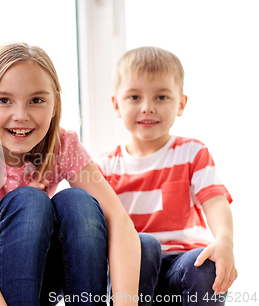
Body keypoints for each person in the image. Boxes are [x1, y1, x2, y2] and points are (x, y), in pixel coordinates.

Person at [0, 42, 157, 306]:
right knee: (30, 201)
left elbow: (118, 220)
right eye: (4, 100)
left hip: (43, 273)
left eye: (36, 100)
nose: (21, 115)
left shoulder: (63, 145)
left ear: (55, 101)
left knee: (77, 202)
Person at [96, 46, 237, 305]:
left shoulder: (192, 152)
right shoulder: (103, 168)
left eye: (161, 97)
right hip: (132, 271)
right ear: (116, 104)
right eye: (135, 97)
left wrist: (225, 242)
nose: (148, 107)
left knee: (206, 267)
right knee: (144, 245)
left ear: (181, 104)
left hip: (182, 266)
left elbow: (215, 201)